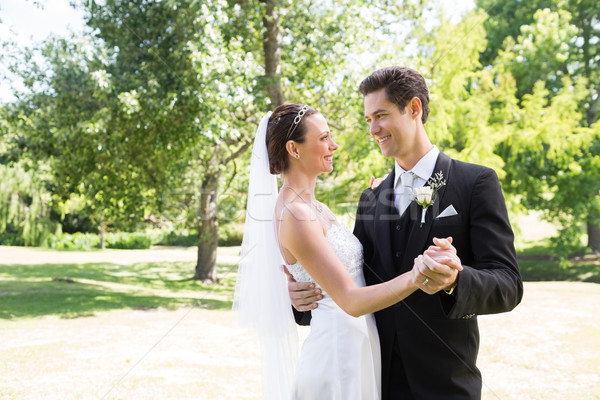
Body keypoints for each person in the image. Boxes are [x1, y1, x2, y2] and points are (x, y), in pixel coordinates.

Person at [287, 66, 524, 399]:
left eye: (381, 116)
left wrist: (456, 280)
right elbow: (354, 279)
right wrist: (301, 300)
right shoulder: (371, 196)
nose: (373, 129)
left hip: (446, 384)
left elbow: (508, 285)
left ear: (414, 109)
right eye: (368, 119)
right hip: (375, 379)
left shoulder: (475, 183)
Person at [233, 103, 461, 400]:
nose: (334, 145)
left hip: (359, 346)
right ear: (294, 148)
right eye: (324, 138)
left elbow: (348, 268)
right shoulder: (295, 214)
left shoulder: (317, 208)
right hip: (337, 354)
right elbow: (350, 300)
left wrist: (383, 199)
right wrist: (417, 275)